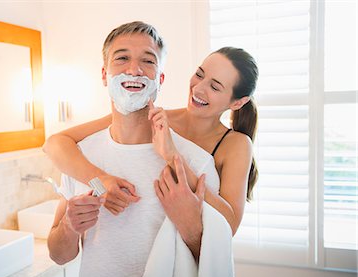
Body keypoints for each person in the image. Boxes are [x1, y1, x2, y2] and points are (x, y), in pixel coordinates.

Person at [47, 21, 232, 277]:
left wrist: (190, 227)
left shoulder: (195, 163)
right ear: (103, 74)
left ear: (160, 79)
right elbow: (58, 255)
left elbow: (214, 262)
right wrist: (69, 227)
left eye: (148, 61)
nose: (134, 69)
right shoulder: (80, 158)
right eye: (122, 58)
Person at [44, 46, 259, 235]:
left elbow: (228, 226)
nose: (198, 88)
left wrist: (172, 156)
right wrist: (102, 180)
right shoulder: (155, 118)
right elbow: (55, 144)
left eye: (215, 87)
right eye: (199, 74)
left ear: (238, 103)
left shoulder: (235, 145)